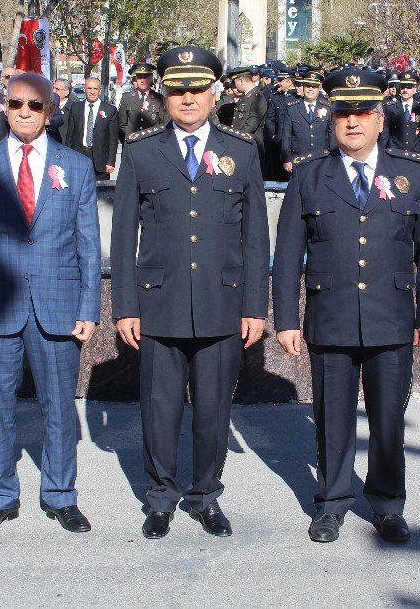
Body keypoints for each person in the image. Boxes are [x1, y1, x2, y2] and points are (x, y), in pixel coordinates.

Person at [272, 68, 420, 544]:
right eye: (344, 113)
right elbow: (287, 255)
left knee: (389, 419)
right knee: (332, 418)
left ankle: (388, 505)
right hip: (331, 318)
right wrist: (286, 318)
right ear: (332, 120)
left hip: (392, 318)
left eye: (363, 113)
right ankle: (331, 503)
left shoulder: (410, 174)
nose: (353, 123)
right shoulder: (310, 176)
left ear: (380, 119)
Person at [110, 46, 269, 540]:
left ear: (213, 93)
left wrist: (254, 308)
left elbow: (255, 238)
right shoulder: (140, 152)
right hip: (160, 302)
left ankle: (205, 495)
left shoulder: (240, 151)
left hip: (223, 303)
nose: (187, 98)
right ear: (163, 94)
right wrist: (125, 306)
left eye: (197, 89)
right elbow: (122, 237)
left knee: (214, 408)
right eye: (177, 89)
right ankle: (161, 498)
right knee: (159, 407)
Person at [0, 73, 101, 535]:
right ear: (3, 106)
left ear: (50, 111)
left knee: (59, 409)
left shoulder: (75, 167)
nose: (23, 111)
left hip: (57, 307)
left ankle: (60, 496)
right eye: (15, 103)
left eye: (34, 105)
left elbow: (88, 245)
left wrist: (88, 309)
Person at [278, 68, 332, 173]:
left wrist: (333, 157)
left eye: (314, 87)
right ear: (303, 87)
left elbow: (331, 134)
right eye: (308, 86)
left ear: (319, 88)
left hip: (322, 159)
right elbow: (286, 136)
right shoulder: (292, 108)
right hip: (299, 159)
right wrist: (287, 159)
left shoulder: (327, 107)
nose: (310, 89)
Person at [66, 77, 119, 180]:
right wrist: (68, 158)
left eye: (95, 89)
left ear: (100, 90)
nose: (92, 92)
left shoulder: (110, 110)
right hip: (79, 157)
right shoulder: (76, 107)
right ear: (84, 89)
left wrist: (111, 162)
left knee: (100, 194)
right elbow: (70, 136)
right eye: (89, 88)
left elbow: (113, 139)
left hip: (100, 161)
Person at [225, 66, 268, 164]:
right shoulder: (246, 97)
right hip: (242, 144)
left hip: (250, 145)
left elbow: (250, 126)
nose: (234, 86)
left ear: (241, 81)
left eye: (234, 82)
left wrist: (234, 138)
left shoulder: (257, 98)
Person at [117, 62, 165, 142]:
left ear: (151, 78)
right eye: (139, 77)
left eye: (145, 77)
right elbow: (122, 124)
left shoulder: (159, 99)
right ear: (136, 79)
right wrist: (131, 139)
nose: (142, 80)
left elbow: (162, 124)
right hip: (132, 144)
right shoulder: (127, 98)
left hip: (152, 144)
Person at [384, 71, 420, 154]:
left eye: (409, 87)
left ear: (415, 90)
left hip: (415, 152)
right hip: (395, 152)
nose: (405, 90)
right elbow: (385, 132)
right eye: (403, 87)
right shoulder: (390, 107)